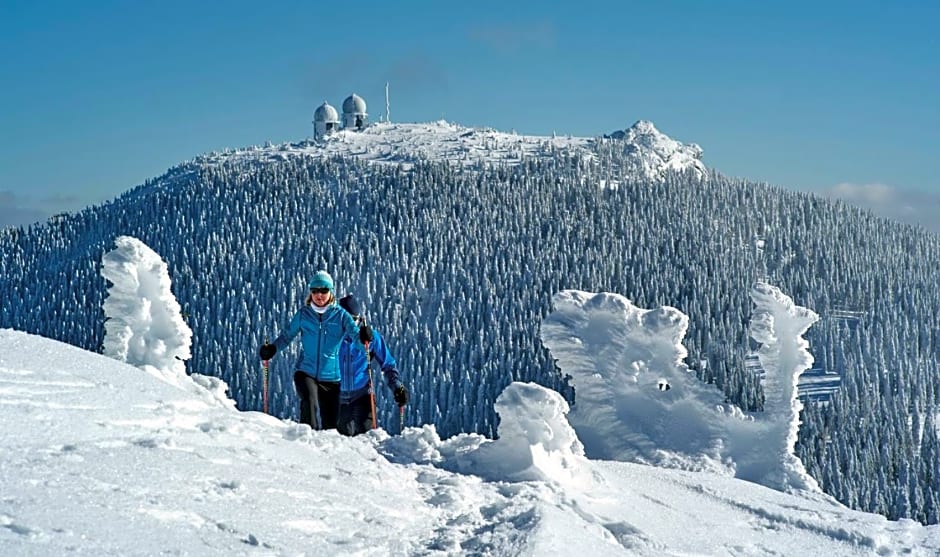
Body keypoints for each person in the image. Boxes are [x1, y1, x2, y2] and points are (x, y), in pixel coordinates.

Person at [259, 271, 372, 430]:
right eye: (315, 291)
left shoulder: (341, 316)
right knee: (309, 402)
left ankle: (324, 454)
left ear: (331, 292)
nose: (319, 295)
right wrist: (272, 349)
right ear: (310, 293)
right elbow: (286, 336)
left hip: (332, 379)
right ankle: (307, 444)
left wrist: (365, 338)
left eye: (324, 290)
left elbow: (357, 339)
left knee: (331, 427)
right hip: (306, 371)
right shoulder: (304, 315)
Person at [336, 294, 408, 436]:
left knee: (365, 439)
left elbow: (388, 365)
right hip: (337, 399)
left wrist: (397, 387)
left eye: (354, 319)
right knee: (340, 443)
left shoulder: (371, 339)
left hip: (362, 395)